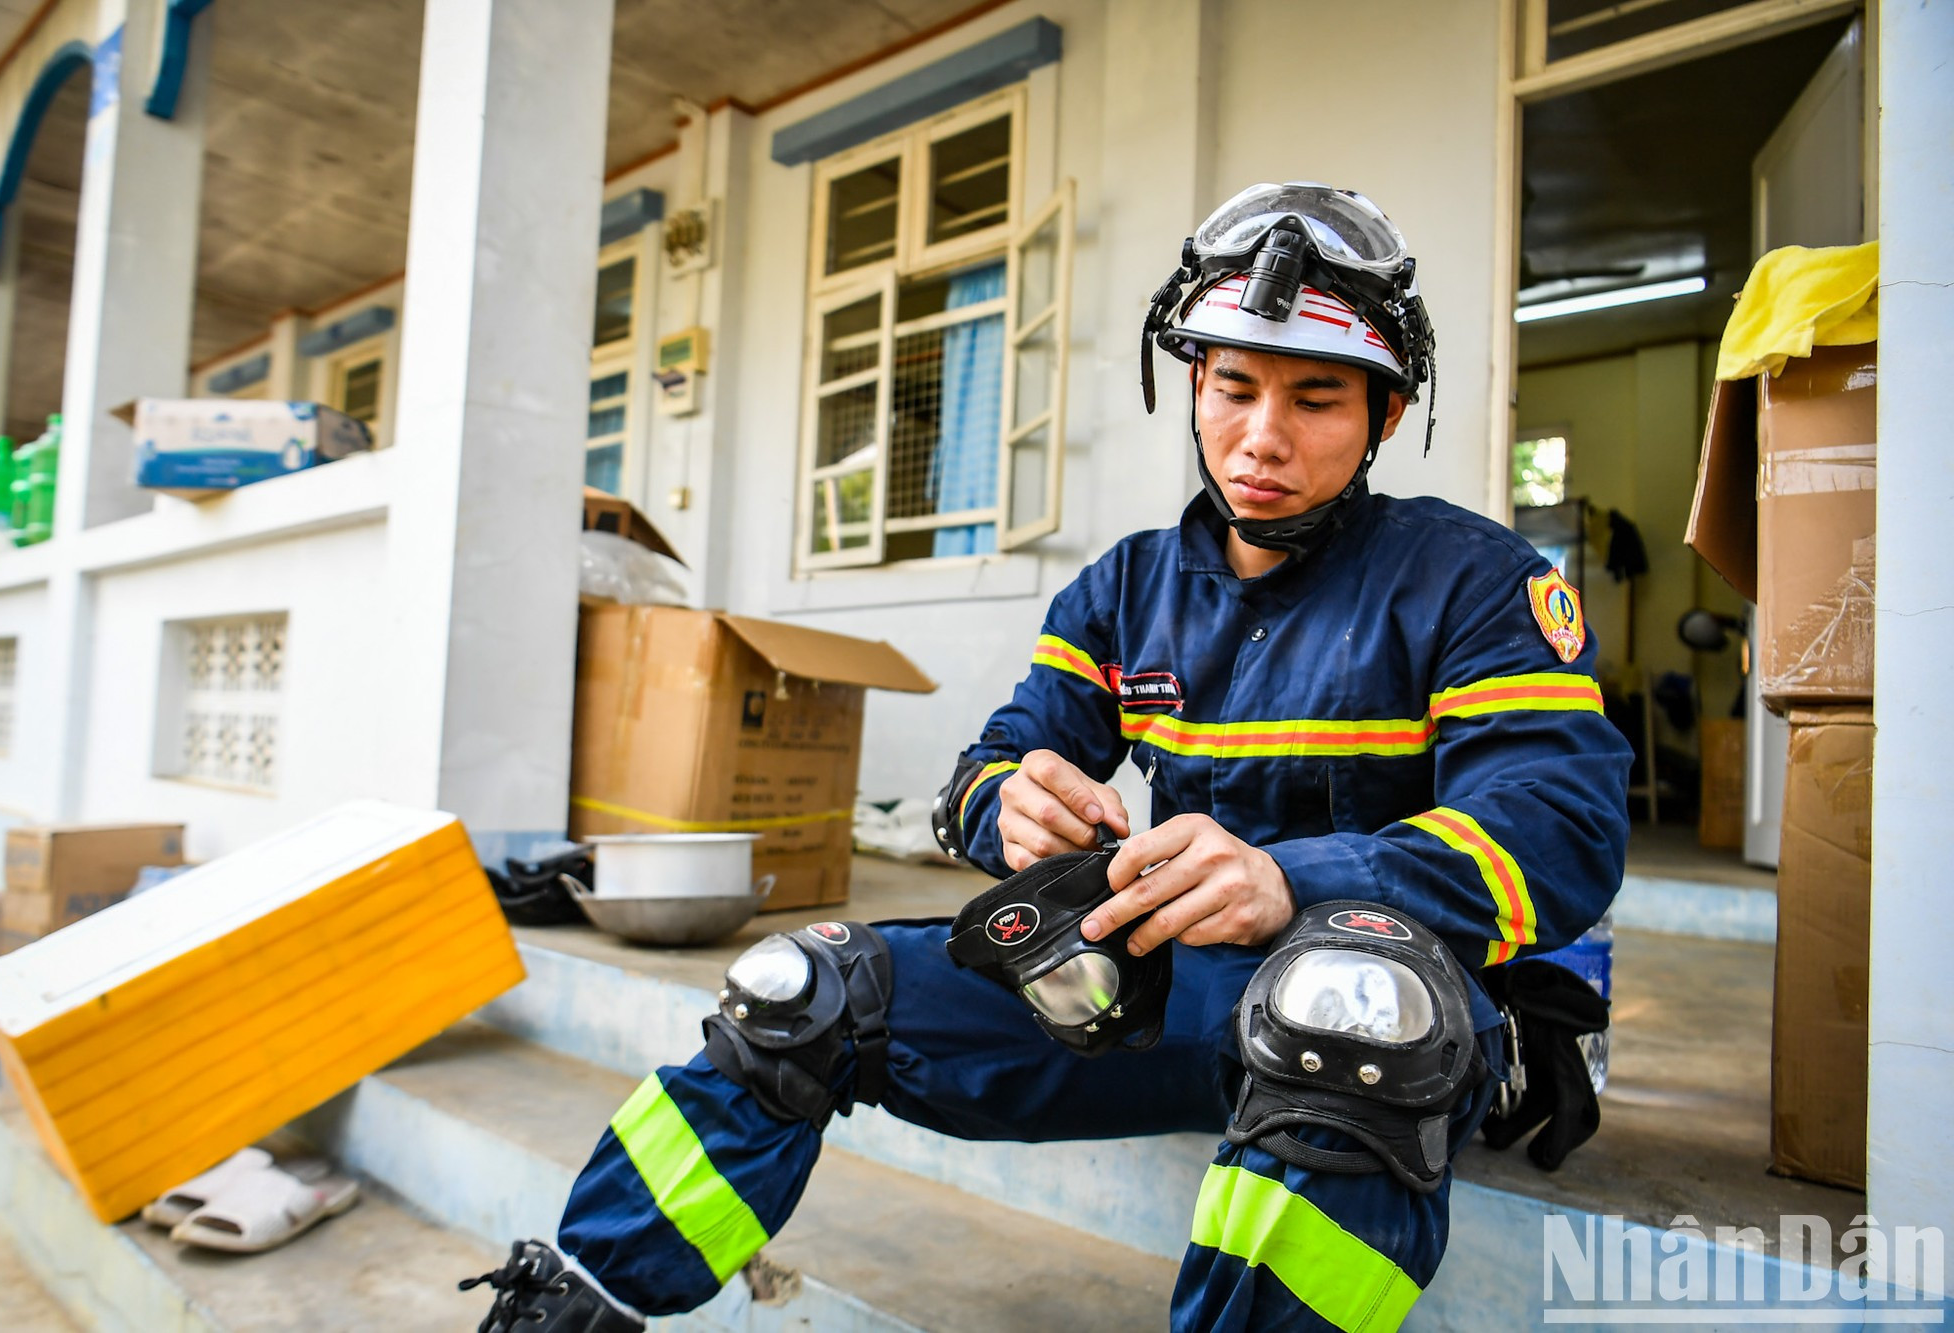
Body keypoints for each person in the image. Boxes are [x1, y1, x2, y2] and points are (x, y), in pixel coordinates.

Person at [462, 183, 1632, 1333]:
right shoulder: (1122, 591)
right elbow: (992, 762)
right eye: (1232, 387)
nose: (1260, 437)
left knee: (1345, 1005)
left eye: (1315, 399)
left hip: (1390, 1019)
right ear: (1191, 384)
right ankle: (579, 1303)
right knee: (803, 989)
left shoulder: (1472, 580)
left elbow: (1560, 823)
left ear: (1381, 415)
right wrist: (1004, 807)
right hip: (1180, 993)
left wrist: (1297, 880)